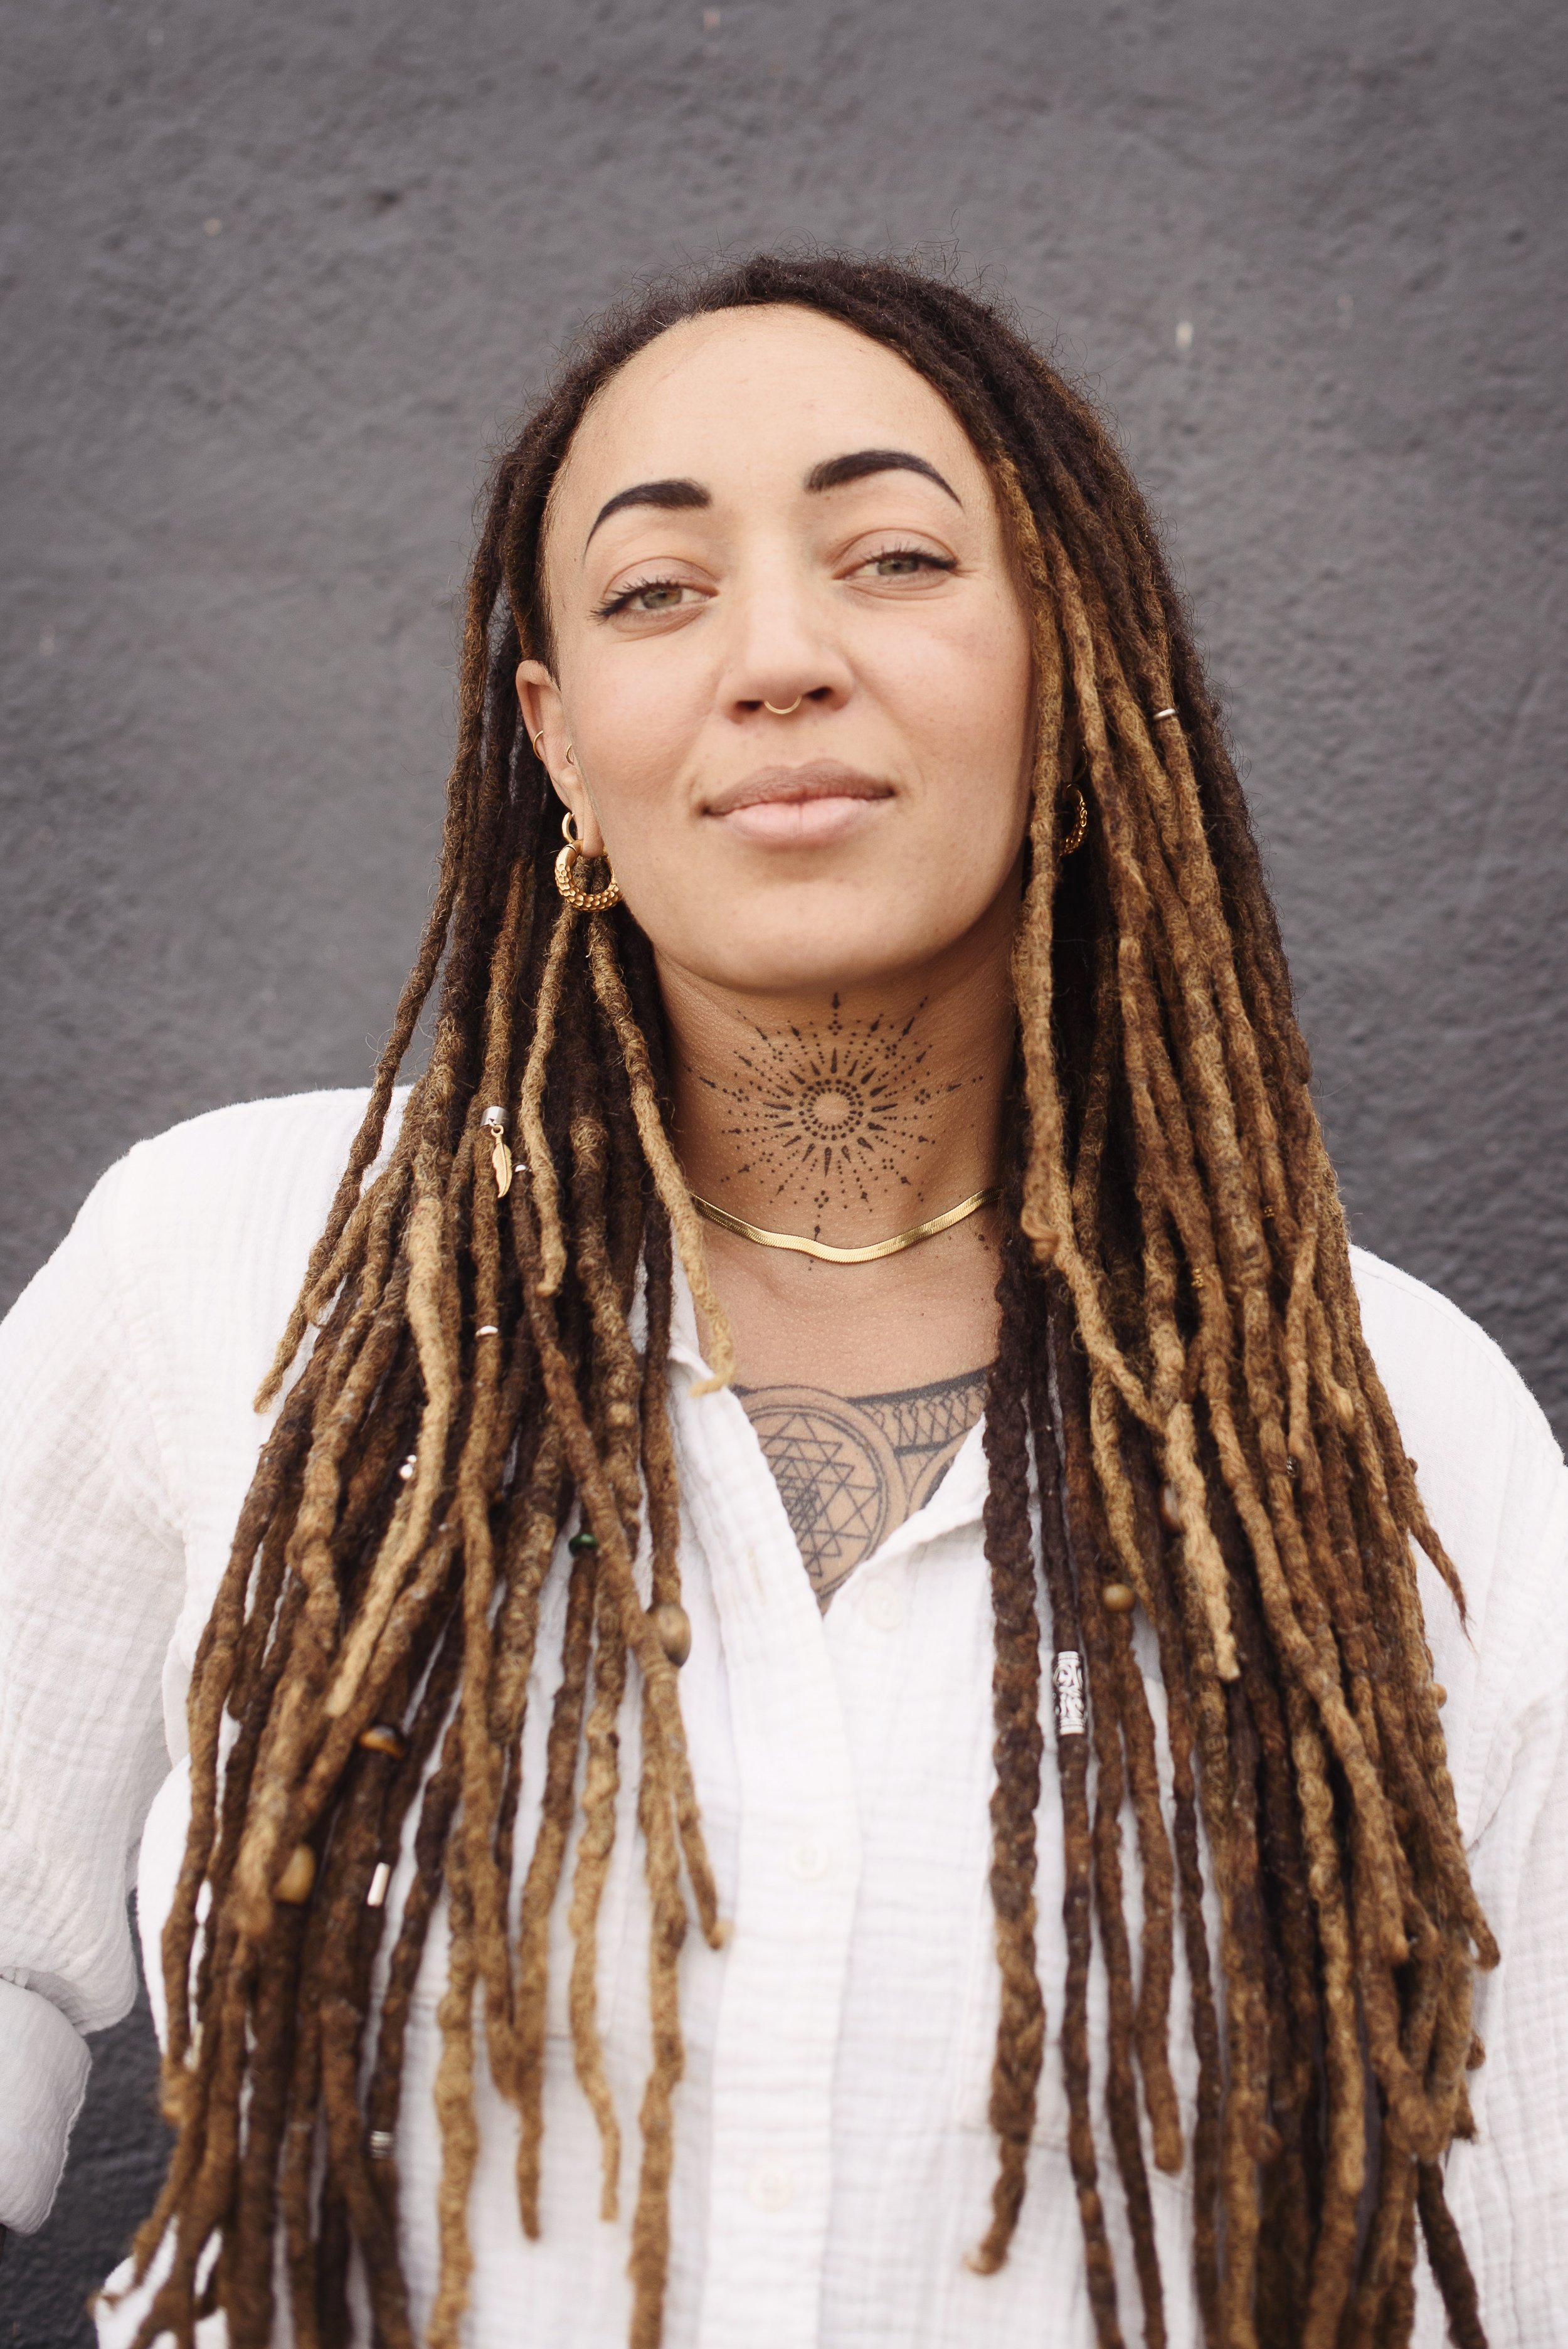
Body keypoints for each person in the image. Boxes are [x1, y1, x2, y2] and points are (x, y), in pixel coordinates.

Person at [1, 252, 1564, 2349]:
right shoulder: (234, 1267)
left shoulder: (1391, 1424)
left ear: (1067, 663)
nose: (775, 656)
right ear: (557, 737)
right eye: (653, 593)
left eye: (893, 553)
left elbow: (1512, 2243)